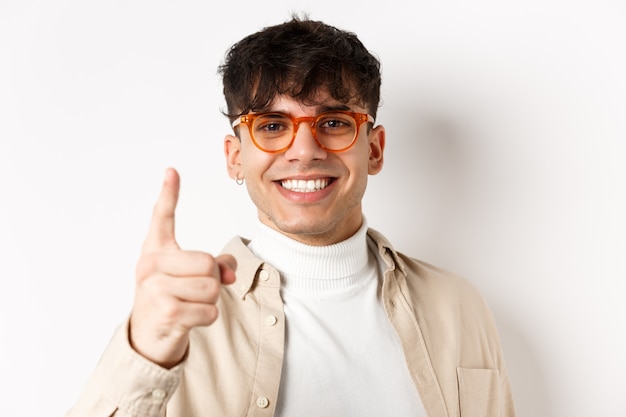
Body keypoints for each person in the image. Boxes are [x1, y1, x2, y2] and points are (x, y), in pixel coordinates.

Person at [66, 16, 515, 417]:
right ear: (235, 158)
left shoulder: (459, 306)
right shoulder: (179, 318)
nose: (304, 150)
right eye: (273, 126)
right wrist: (145, 353)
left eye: (335, 122)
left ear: (374, 149)